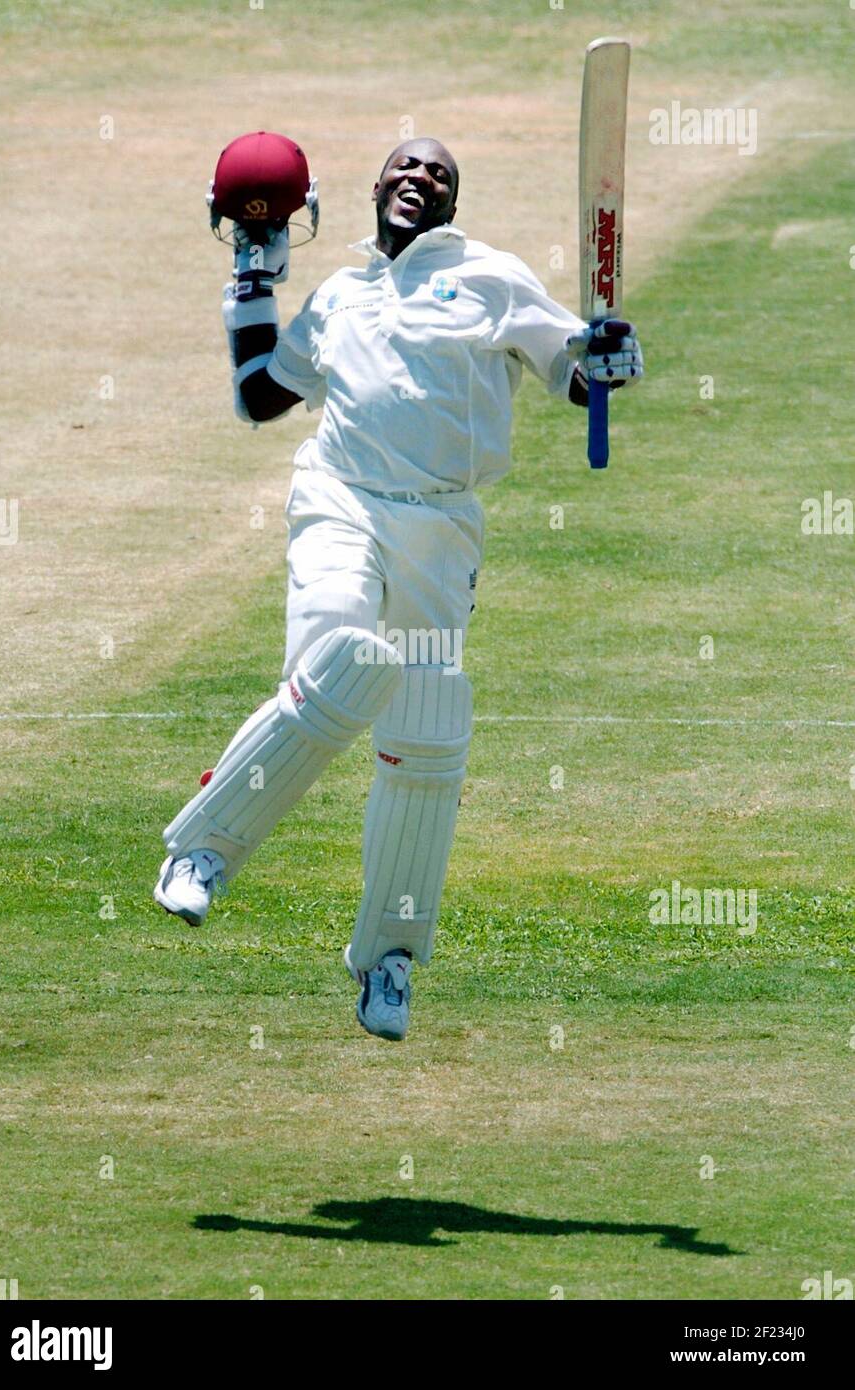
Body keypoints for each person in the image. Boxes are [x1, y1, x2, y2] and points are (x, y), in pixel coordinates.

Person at [154, 134, 643, 1041]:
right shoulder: (340, 294)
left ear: (452, 205)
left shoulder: (491, 277)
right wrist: (252, 288)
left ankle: (388, 960)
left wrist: (608, 363)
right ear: (376, 189)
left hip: (440, 525)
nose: (421, 178)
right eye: (406, 168)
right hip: (340, 500)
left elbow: (571, 368)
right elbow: (264, 397)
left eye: (440, 175)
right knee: (338, 660)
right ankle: (204, 853)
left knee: (425, 737)